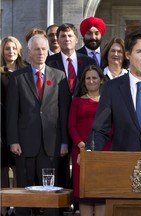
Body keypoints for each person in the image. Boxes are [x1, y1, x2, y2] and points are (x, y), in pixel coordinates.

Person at [6, 34, 69, 216]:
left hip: (51, 145)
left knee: (49, 195)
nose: (41, 53)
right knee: (25, 196)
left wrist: (64, 142)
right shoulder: (18, 78)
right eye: (37, 49)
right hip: (24, 145)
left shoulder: (59, 76)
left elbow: (64, 112)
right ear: (29, 52)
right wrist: (13, 141)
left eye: (44, 49)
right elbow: (11, 113)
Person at [46, 22, 96, 191]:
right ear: (57, 41)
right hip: (57, 122)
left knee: (81, 164)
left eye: (69, 36)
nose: (66, 39)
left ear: (76, 40)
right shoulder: (49, 62)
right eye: (62, 36)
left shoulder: (88, 61)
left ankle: (79, 200)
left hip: (81, 121)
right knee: (59, 166)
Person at [68, 65, 111, 216]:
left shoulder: (108, 101)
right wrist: (82, 145)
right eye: (88, 78)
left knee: (101, 194)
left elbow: (113, 126)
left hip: (103, 152)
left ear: (101, 80)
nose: (91, 81)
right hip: (81, 153)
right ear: (83, 82)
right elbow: (71, 126)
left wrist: (98, 148)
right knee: (84, 194)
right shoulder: (77, 102)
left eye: (94, 78)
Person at [0, 36, 26, 216]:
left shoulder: (25, 71)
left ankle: (18, 208)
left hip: (21, 126)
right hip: (2, 126)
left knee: (19, 170)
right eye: (7, 48)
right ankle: (2, 209)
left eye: (13, 48)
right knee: (2, 171)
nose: (11, 51)